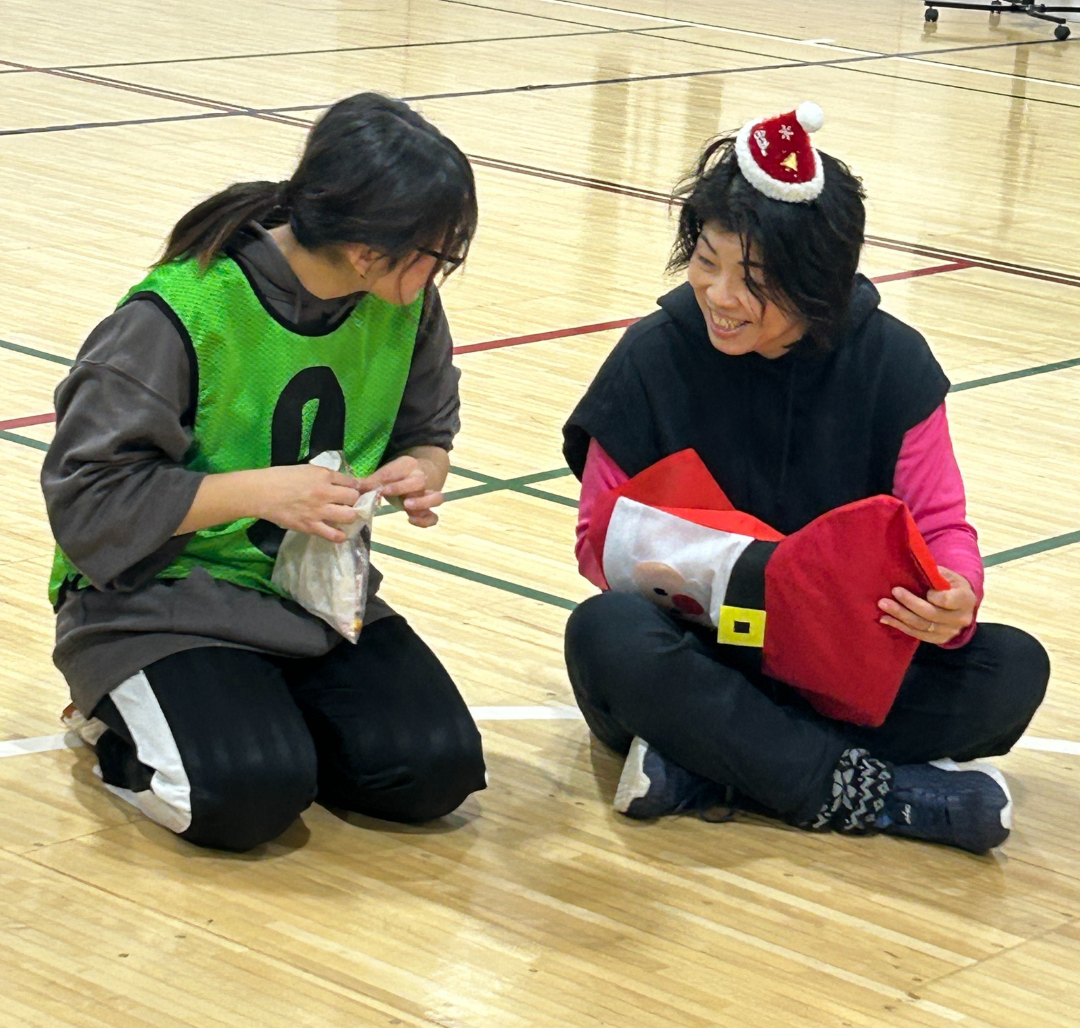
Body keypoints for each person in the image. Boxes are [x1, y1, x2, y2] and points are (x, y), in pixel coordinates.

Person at [562, 102, 1049, 855]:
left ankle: (715, 767)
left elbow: (942, 526)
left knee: (1011, 670)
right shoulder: (652, 356)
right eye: (706, 262)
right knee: (607, 636)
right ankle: (882, 795)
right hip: (702, 651)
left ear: (819, 280)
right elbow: (599, 542)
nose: (720, 295)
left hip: (839, 665)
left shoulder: (893, 364)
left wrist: (955, 593)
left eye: (753, 279)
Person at [43, 92, 487, 852]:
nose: (438, 270)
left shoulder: (404, 305)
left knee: (432, 772)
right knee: (241, 800)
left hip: (312, 597)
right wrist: (261, 492)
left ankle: (252, 718)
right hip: (156, 603)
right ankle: (117, 724)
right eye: (434, 252)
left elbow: (426, 430)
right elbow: (89, 501)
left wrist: (422, 467)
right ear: (366, 249)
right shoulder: (181, 314)